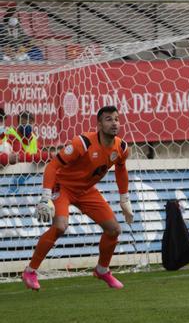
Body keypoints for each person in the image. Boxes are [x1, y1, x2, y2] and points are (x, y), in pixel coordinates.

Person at [22, 106, 134, 291]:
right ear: (99, 124)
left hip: (86, 191)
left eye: (116, 119)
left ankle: (102, 270)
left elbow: (121, 168)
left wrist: (124, 198)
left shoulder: (121, 147)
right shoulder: (82, 143)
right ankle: (30, 270)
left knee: (114, 230)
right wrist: (45, 197)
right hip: (63, 187)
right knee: (60, 226)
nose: (114, 123)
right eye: (108, 119)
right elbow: (52, 166)